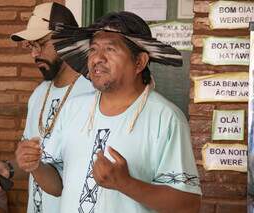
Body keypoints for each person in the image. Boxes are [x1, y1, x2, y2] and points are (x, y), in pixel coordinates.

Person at [17, 11, 202, 213]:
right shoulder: (73, 109)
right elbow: (57, 187)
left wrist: (126, 183)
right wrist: (35, 166)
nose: (97, 58)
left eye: (110, 49)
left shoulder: (165, 118)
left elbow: (189, 205)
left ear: (139, 62)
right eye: (93, 49)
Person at [0, 2, 94, 213]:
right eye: (31, 45)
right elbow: (33, 161)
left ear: (68, 39)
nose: (34, 54)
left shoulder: (94, 94)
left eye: (41, 43)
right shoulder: (39, 93)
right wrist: (8, 168)